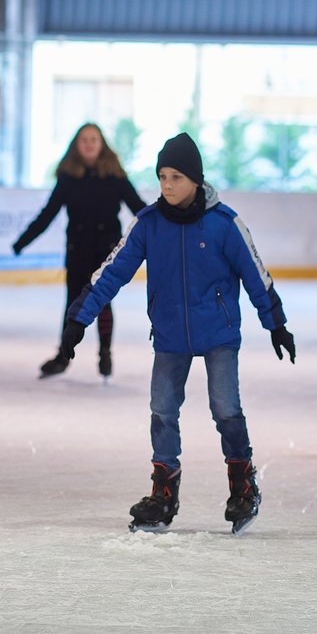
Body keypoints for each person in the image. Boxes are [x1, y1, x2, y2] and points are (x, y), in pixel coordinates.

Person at [59, 132, 296, 535]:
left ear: (196, 180)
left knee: (225, 409)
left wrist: (276, 323)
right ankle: (164, 491)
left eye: (176, 177)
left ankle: (242, 484)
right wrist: (79, 318)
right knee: (163, 410)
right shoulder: (149, 224)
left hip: (218, 332)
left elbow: (256, 274)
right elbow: (111, 272)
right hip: (170, 335)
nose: (167, 185)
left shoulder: (224, 223)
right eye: (162, 176)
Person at [12, 123, 147, 380]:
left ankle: (105, 352)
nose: (89, 144)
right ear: (77, 145)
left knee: (103, 302)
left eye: (94, 139)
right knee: (73, 304)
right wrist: (23, 241)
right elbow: (48, 214)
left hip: (107, 251)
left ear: (101, 143)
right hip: (78, 250)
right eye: (84, 139)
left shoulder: (115, 175)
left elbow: (138, 208)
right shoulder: (68, 177)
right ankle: (63, 357)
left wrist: (164, 229)